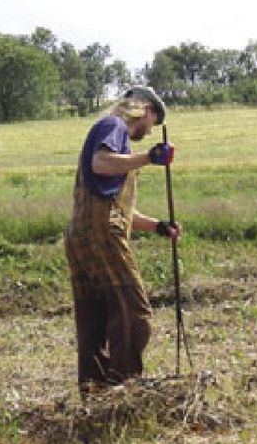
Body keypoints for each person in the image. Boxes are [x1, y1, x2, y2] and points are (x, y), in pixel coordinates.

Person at [64, 85, 181, 390]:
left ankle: (95, 392)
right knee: (134, 311)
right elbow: (101, 163)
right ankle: (124, 389)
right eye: (152, 123)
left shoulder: (112, 136)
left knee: (95, 316)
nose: (149, 130)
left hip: (81, 235)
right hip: (102, 234)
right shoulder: (114, 126)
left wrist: (158, 226)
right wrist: (149, 157)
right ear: (147, 110)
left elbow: (116, 206)